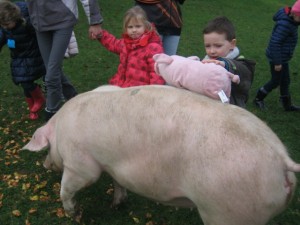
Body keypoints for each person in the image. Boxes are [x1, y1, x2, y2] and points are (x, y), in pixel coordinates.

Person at [25, 0, 104, 121]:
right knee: (53, 70)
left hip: (63, 20)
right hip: (39, 24)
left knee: (51, 75)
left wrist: (95, 21)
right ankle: (75, 99)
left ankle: (52, 113)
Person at [97, 6, 165, 87]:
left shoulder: (153, 47)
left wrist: (153, 93)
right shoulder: (125, 43)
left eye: (138, 26)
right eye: (130, 27)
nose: (134, 30)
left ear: (145, 26)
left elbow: (156, 73)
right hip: (121, 85)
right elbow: (113, 43)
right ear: (126, 28)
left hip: (140, 91)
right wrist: (101, 35)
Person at [0, 1, 45, 120]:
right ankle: (33, 106)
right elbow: (1, 38)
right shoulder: (5, 27)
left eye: (7, 24)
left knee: (26, 80)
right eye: (2, 25)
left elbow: (40, 36)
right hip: (18, 57)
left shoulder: (26, 23)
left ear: (14, 18)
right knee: (23, 82)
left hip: (33, 55)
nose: (5, 27)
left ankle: (39, 98)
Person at [253, 1, 300, 111]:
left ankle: (286, 105)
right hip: (277, 58)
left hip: (283, 57)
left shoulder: (292, 21)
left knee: (285, 80)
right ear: (296, 14)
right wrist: (277, 62)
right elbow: (275, 43)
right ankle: (258, 99)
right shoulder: (285, 24)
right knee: (275, 81)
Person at [202, 16, 256, 108]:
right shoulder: (204, 62)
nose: (212, 51)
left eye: (218, 46)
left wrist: (225, 64)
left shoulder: (241, 63)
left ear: (232, 44)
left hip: (232, 111)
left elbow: (245, 74)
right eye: (207, 46)